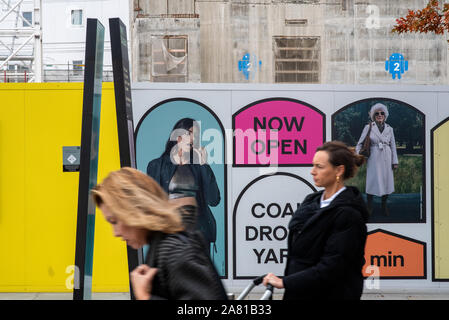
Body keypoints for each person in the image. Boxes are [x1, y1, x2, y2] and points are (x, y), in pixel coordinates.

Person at [91, 167, 227, 300]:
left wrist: (145, 296)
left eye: (114, 221)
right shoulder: (163, 248)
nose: (116, 233)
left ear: (134, 209)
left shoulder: (176, 252)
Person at [263, 141, 369, 300]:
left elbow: (332, 267)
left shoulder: (349, 215)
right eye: (313, 165)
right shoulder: (311, 201)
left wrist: (285, 282)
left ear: (339, 170)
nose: (312, 171)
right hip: (301, 292)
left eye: (319, 166)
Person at [146, 118, 221, 256]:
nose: (194, 138)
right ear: (178, 136)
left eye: (196, 135)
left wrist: (204, 164)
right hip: (168, 236)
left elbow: (214, 200)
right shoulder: (157, 166)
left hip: (198, 237)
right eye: (190, 133)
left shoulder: (199, 166)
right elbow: (152, 203)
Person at [356, 103, 399, 216]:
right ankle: (369, 206)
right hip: (374, 157)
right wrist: (359, 156)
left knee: (386, 182)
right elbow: (359, 144)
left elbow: (393, 145)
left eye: (382, 113)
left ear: (385, 115)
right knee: (372, 181)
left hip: (387, 156)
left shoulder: (390, 129)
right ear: (373, 116)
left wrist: (395, 161)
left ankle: (384, 205)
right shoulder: (369, 127)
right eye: (377, 113)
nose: (379, 115)